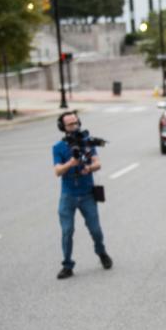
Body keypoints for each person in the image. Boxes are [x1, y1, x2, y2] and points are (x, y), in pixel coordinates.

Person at [52, 111, 112, 279]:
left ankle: (102, 253)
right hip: (68, 195)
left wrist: (89, 168)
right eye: (70, 124)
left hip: (87, 194)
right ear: (62, 127)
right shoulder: (58, 148)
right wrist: (71, 162)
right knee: (67, 231)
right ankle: (67, 265)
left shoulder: (88, 142)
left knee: (96, 230)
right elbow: (57, 171)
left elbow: (97, 163)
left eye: (76, 123)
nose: (74, 127)